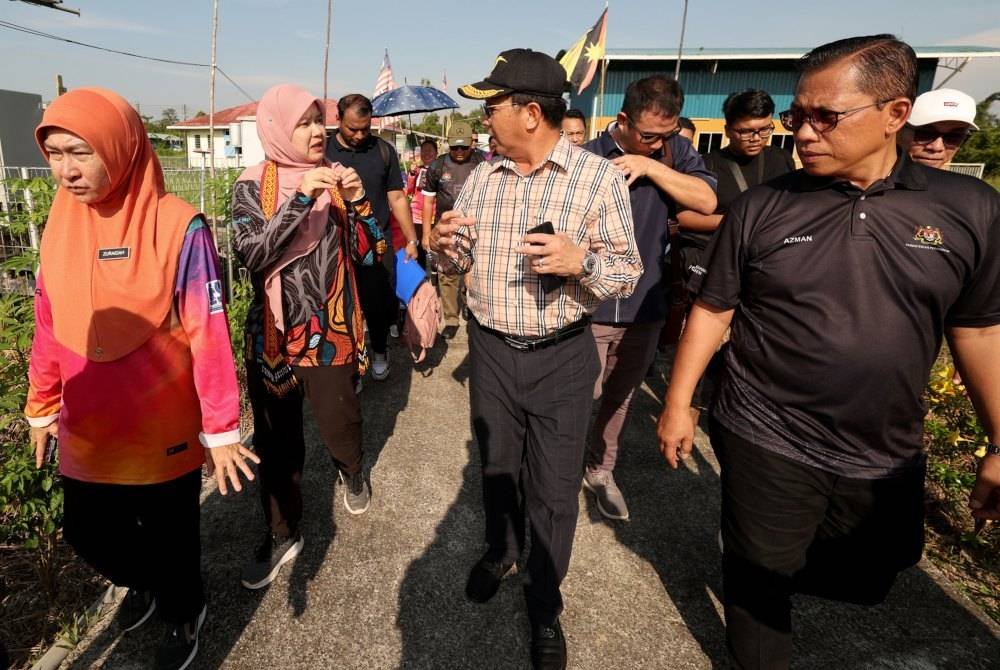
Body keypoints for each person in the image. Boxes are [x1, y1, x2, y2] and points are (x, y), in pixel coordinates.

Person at [656, 35, 1000, 669]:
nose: (805, 134)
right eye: (798, 118)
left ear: (896, 114)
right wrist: (681, 403)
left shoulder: (969, 210)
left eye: (826, 117)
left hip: (884, 444)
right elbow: (714, 308)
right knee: (759, 581)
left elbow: (978, 330)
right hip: (765, 427)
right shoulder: (766, 205)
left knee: (874, 572)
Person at [26, 87, 254, 670]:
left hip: (161, 424)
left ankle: (184, 608)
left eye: (80, 152)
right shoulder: (58, 226)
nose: (66, 171)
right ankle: (156, 581)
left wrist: (221, 428)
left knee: (171, 532)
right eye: (54, 154)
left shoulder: (178, 227)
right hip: (89, 423)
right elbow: (49, 326)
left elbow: (208, 331)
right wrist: (41, 405)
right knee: (87, 530)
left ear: (121, 148)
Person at [432, 48, 641, 670]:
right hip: (492, 351)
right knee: (497, 469)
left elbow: (627, 273)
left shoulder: (596, 177)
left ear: (529, 113)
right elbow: (459, 262)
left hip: (562, 358)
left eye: (491, 106)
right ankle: (502, 550)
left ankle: (545, 604)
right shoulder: (484, 179)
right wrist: (444, 247)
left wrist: (583, 263)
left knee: (552, 489)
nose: (484, 118)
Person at [231, 84, 385, 590]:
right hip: (272, 336)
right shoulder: (252, 185)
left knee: (341, 420)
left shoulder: (341, 180)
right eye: (304, 122)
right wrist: (302, 197)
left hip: (331, 328)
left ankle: (352, 468)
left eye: (320, 120)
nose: (318, 131)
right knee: (276, 442)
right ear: (277, 128)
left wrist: (359, 203)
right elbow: (252, 254)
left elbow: (368, 255)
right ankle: (282, 531)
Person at [581, 75, 717, 521]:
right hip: (591, 306)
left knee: (621, 396)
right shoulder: (587, 157)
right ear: (622, 119)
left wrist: (655, 167)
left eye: (668, 134)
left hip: (646, 305)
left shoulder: (676, 153)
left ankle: (602, 471)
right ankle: (558, 473)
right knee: (580, 395)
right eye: (649, 136)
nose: (659, 144)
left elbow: (706, 199)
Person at [675, 89, 796, 425]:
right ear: (728, 130)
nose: (755, 138)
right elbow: (684, 218)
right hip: (717, 265)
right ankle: (693, 405)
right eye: (745, 131)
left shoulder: (781, 161)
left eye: (763, 129)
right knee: (708, 340)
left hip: (770, 267)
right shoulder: (708, 165)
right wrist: (739, 223)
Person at [326, 94, 419, 380]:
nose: (359, 135)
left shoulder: (383, 151)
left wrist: (412, 240)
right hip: (333, 245)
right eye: (352, 129)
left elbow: (396, 197)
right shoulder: (323, 152)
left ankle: (379, 351)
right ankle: (349, 364)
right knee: (340, 307)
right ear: (338, 119)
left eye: (365, 128)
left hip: (375, 246)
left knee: (377, 305)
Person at [422, 120, 484, 338]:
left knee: (473, 270)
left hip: (476, 226)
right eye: (454, 147)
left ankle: (470, 303)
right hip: (446, 226)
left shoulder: (482, 163)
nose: (459, 151)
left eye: (463, 147)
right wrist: (427, 234)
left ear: (471, 145)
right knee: (448, 274)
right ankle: (450, 318)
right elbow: (428, 202)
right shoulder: (437, 166)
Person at [901, 87, 978, 169]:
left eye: (954, 137)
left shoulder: (961, 182)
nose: (937, 147)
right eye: (925, 134)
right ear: (899, 128)